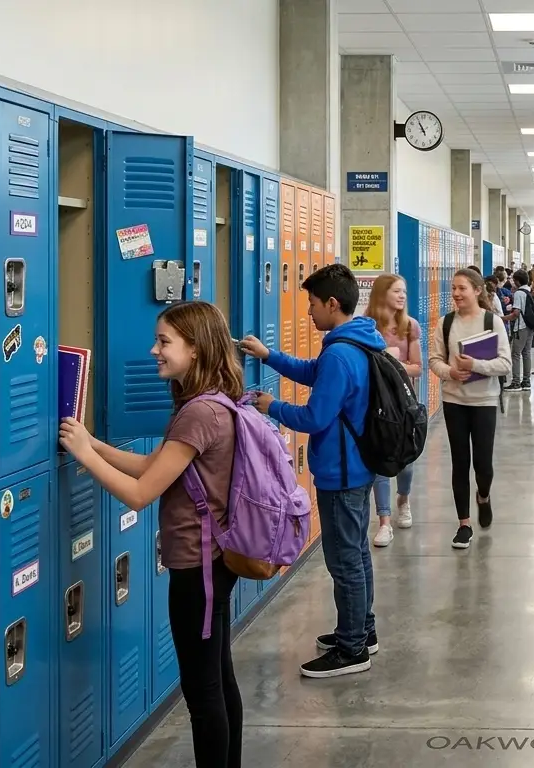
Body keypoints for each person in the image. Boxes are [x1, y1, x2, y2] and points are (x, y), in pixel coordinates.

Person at [57, 300, 246, 768]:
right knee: (219, 680)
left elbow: (141, 492)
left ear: (196, 349)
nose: (154, 350)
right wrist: (94, 443)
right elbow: (155, 467)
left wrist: (85, 458)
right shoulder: (214, 400)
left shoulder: (197, 414)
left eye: (165, 342)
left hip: (198, 568)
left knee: (204, 694)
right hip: (215, 562)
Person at [240, 263, 383, 679]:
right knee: (355, 556)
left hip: (342, 472)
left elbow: (316, 417)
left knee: (345, 563)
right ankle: (361, 631)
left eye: (313, 303)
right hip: (357, 467)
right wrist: (271, 356)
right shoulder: (354, 341)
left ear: (332, 304)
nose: (308, 312)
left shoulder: (339, 352)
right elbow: (313, 373)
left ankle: (353, 649)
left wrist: (273, 408)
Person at [429, 268, 512, 550]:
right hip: (455, 401)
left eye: (462, 288)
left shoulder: (493, 322)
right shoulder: (446, 323)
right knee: (460, 462)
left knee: (483, 464)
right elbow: (435, 359)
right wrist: (451, 372)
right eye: (453, 288)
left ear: (477, 290)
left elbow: (505, 364)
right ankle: (464, 524)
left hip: (484, 401)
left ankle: (484, 496)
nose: (456, 293)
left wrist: (474, 366)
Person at [363, 274, 420, 546]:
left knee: (406, 464)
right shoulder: (365, 327)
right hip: (376, 403)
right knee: (380, 462)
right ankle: (384, 521)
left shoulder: (410, 326)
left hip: (403, 405)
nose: (402, 296)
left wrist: (390, 362)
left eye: (404, 292)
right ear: (381, 293)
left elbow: (418, 367)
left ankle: (404, 498)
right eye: (397, 291)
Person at [507, 269, 534, 391]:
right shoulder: (529, 290)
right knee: (526, 353)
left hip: (520, 327)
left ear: (517, 281)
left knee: (516, 354)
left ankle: (516, 382)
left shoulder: (519, 293)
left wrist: (502, 318)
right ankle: (526, 381)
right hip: (530, 326)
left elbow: (516, 312)